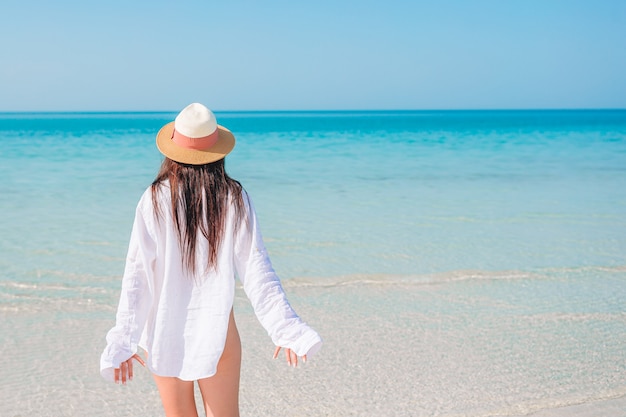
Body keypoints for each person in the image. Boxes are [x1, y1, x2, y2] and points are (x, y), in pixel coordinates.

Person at [100, 103, 322, 417]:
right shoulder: (233, 196)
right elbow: (257, 268)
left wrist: (123, 341)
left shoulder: (153, 199)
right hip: (219, 330)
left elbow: (137, 277)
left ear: (173, 150)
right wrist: (285, 328)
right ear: (218, 151)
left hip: (164, 330)